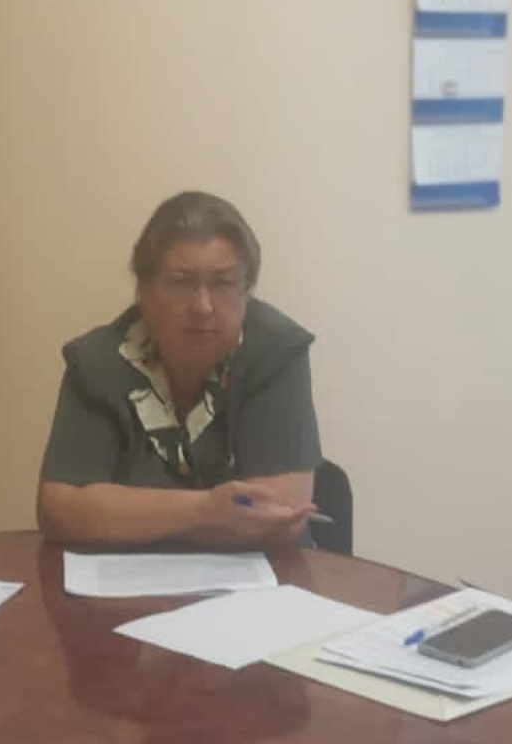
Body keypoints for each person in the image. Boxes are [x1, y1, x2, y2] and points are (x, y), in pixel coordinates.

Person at [36, 191, 322, 548]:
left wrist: (127, 517)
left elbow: (280, 516)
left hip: (260, 577)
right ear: (143, 291)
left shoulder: (276, 352)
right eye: (181, 282)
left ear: (246, 289)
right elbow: (59, 511)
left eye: (223, 283)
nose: (202, 306)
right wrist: (207, 508)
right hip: (127, 577)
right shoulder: (97, 363)